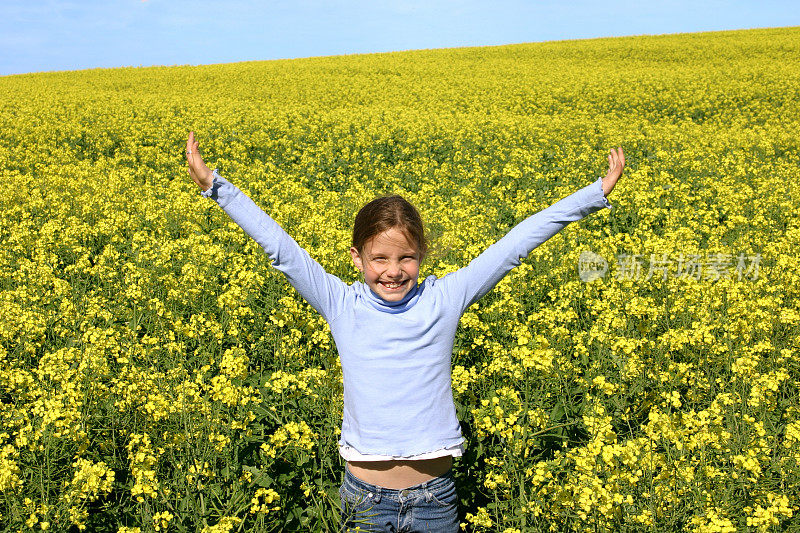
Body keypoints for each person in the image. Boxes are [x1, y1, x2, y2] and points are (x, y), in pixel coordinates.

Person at [185, 131, 625, 532]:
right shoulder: (341, 304)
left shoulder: (444, 299)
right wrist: (215, 187)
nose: (393, 272)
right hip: (364, 502)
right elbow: (281, 249)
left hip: (435, 501)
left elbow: (515, 245)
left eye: (406, 258)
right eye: (380, 259)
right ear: (357, 258)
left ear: (421, 255)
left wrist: (592, 196)